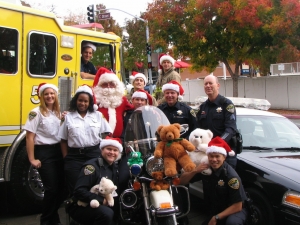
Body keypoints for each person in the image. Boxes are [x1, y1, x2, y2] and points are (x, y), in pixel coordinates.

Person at [180, 137, 248, 225]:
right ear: (207, 156)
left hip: (234, 211)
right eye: (211, 156)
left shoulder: (231, 177)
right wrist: (195, 170)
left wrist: (216, 217)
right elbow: (182, 182)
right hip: (218, 211)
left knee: (232, 223)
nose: (214, 160)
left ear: (224, 157)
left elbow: (238, 206)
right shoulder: (205, 169)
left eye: (217, 156)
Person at [58, 85, 112, 195]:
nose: (82, 103)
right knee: (75, 187)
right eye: (80, 100)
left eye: (86, 101)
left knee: (95, 186)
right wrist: (66, 158)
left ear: (90, 102)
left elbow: (107, 133)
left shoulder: (98, 115)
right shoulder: (68, 117)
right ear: (75, 101)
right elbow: (63, 139)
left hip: (93, 155)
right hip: (74, 157)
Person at [24, 83, 64, 225]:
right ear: (41, 96)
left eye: (52, 93)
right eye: (46, 94)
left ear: (56, 95)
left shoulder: (58, 113)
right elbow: (29, 137)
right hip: (44, 152)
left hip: (58, 151)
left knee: (62, 189)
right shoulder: (36, 113)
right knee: (51, 189)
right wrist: (32, 158)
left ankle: (53, 217)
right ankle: (46, 220)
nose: (49, 96)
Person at [68, 136, 123, 225]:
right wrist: (101, 200)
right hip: (80, 205)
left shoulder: (114, 167)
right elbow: (78, 191)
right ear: (102, 150)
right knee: (106, 214)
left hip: (99, 204)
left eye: (115, 150)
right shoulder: (91, 167)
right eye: (108, 149)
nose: (112, 152)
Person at [196, 74, 238, 168]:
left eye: (210, 83)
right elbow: (198, 129)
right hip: (207, 154)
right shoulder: (203, 107)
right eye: (205, 84)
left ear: (218, 85)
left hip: (224, 154)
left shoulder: (226, 104)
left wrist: (218, 143)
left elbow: (231, 129)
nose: (208, 86)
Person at [93, 67, 134, 138]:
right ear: (100, 86)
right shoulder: (95, 100)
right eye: (105, 84)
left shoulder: (122, 99)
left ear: (116, 86)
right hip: (99, 139)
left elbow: (132, 110)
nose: (108, 87)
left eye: (112, 84)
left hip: (118, 139)